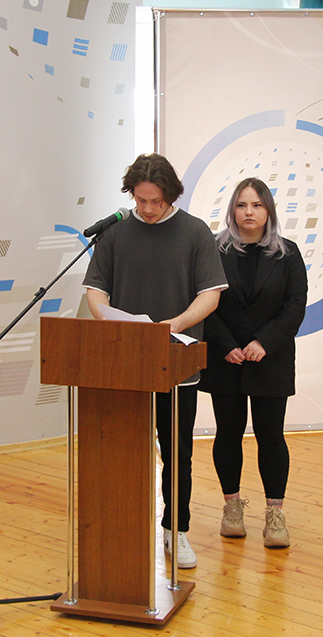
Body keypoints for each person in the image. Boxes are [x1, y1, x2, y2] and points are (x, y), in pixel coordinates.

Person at [83, 153, 227, 569]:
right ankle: (122, 528)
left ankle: (175, 529)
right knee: (122, 450)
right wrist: (114, 323)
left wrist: (175, 324)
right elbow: (96, 291)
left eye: (156, 201)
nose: (147, 209)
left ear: (171, 196)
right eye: (140, 200)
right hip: (125, 362)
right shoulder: (114, 233)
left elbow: (210, 295)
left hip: (177, 361)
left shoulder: (195, 232)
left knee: (178, 453)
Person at [199, 177, 307, 548]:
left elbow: (295, 306)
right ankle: (232, 509)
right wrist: (225, 345)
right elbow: (204, 302)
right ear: (232, 209)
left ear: (268, 211)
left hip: (270, 359)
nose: (249, 212)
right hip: (225, 358)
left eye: (257, 205)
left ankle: (275, 514)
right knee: (227, 434)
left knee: (270, 435)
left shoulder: (288, 254)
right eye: (242, 205)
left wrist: (265, 342)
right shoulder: (213, 251)